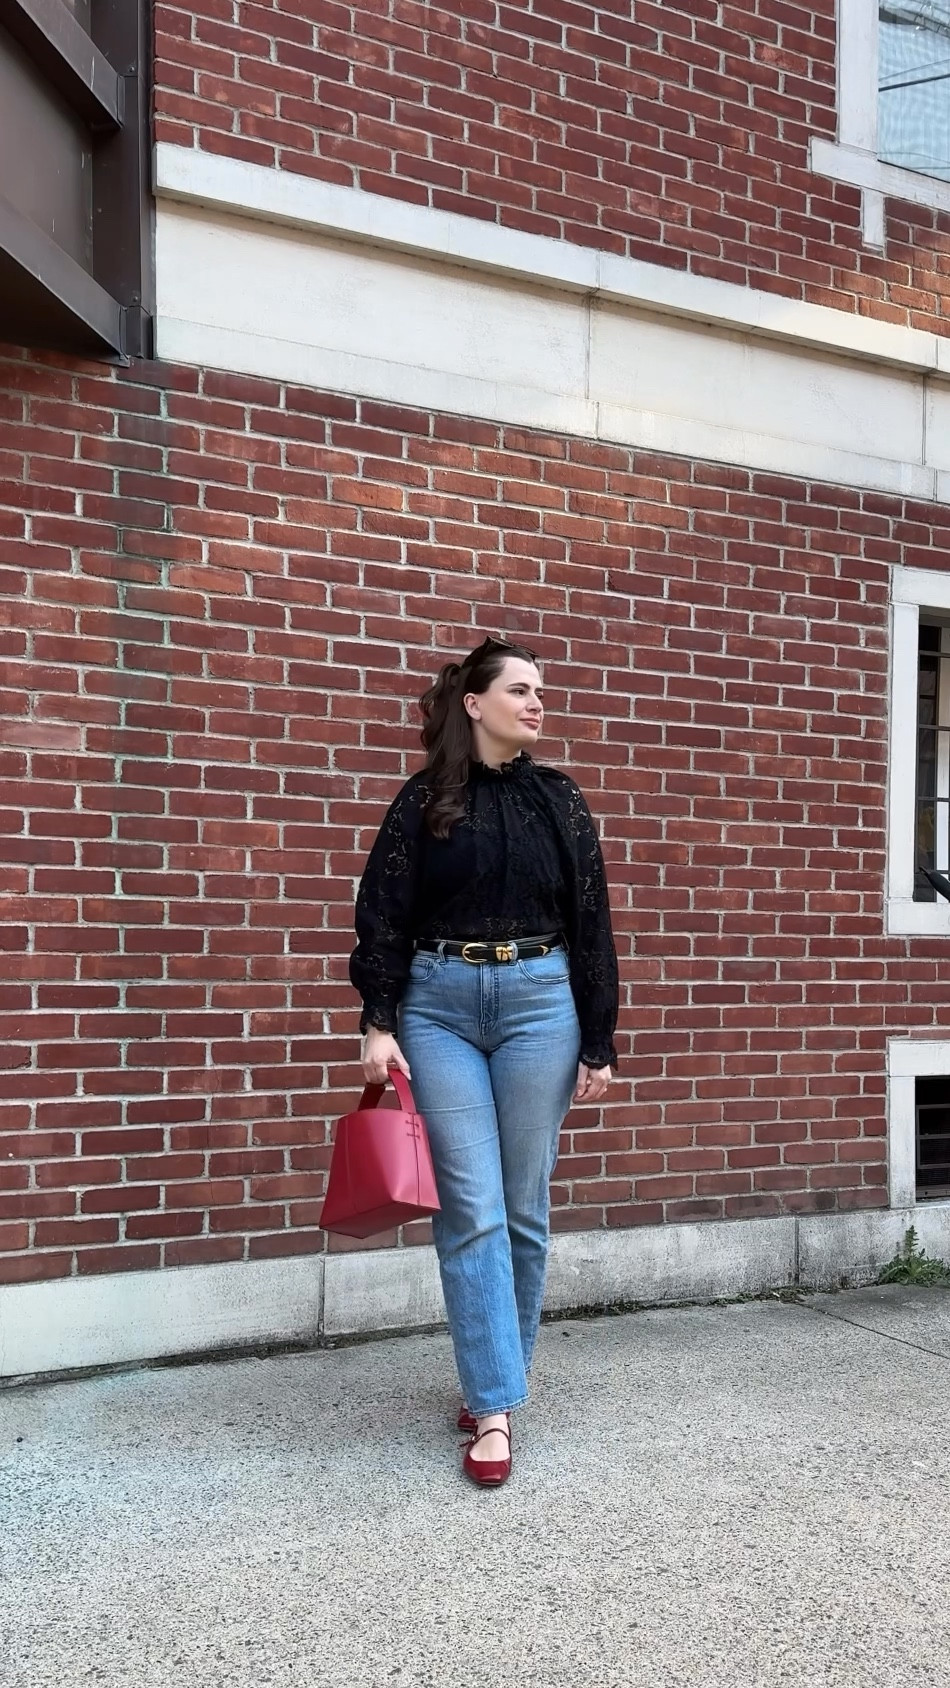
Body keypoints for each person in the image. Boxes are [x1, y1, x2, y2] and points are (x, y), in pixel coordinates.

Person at [349, 635, 619, 1487]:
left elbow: (592, 922)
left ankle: (496, 1372)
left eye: (542, 692)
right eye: (522, 690)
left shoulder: (559, 801)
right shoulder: (423, 801)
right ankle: (495, 1404)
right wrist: (378, 1017)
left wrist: (601, 1036)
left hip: (543, 1005)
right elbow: (383, 911)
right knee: (470, 1206)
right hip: (439, 1006)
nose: (538, 704)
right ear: (475, 704)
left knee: (524, 1208)